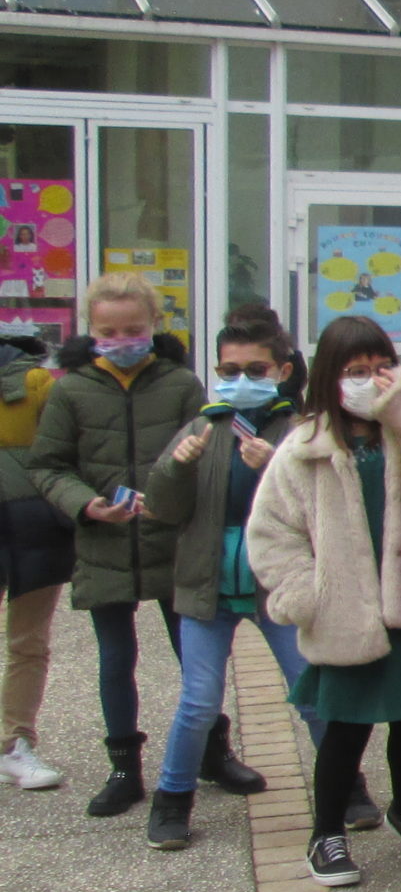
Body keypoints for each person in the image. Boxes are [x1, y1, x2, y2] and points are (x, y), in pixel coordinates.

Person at [245, 318, 401, 884]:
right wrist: (304, 594)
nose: (367, 382)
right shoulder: (303, 450)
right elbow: (272, 531)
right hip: (345, 613)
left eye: (379, 369)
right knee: (345, 726)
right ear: (329, 379)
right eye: (354, 373)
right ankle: (326, 832)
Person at [27, 272, 201, 817]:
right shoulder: (71, 389)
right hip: (105, 544)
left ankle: (211, 751)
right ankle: (124, 767)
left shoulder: (180, 383)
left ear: (153, 324)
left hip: (173, 543)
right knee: (115, 657)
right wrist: (85, 503)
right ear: (91, 329)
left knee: (195, 658)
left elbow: (201, 455)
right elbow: (48, 465)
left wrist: (172, 496)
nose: (122, 341)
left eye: (134, 329)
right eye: (109, 331)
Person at [136, 313, 308, 848]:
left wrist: (276, 465)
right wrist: (174, 470)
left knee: (311, 693)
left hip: (274, 587)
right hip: (205, 586)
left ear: (281, 370)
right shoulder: (203, 428)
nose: (241, 380)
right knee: (198, 701)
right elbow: (162, 509)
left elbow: (323, 508)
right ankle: (172, 800)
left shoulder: (297, 432)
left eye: (255, 369)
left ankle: (346, 787)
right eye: (229, 370)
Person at [0, 329, 71, 790]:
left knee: (28, 641)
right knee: (29, 642)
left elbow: (63, 456)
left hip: (32, 527)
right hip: (34, 527)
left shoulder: (37, 385)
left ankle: (13, 744)